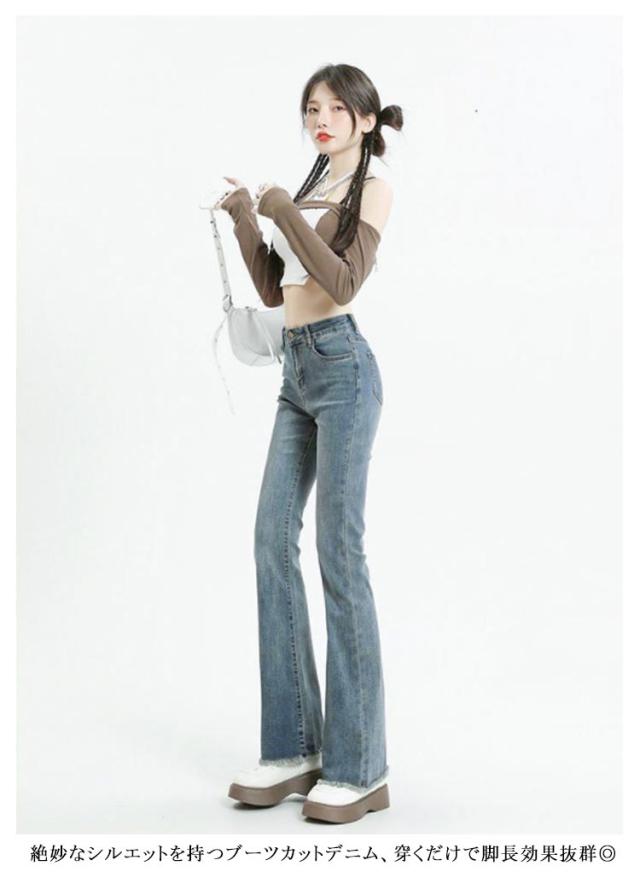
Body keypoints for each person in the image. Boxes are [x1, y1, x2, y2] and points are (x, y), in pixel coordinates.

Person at [216, 63, 402, 824]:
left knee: (338, 552)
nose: (319, 119)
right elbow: (276, 289)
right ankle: (295, 747)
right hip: (296, 371)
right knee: (270, 538)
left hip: (344, 369)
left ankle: (360, 767)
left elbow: (343, 281)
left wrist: (286, 212)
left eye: (333, 108)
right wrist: (245, 218)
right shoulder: (315, 183)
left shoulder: (373, 188)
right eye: (310, 109)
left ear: (366, 119)